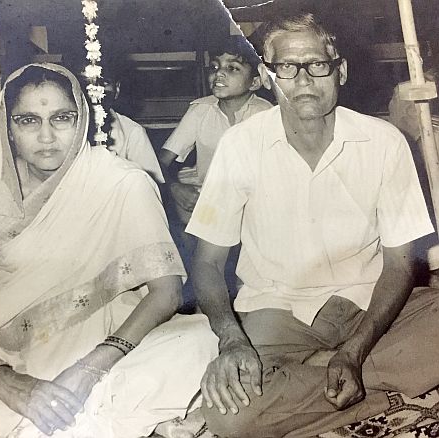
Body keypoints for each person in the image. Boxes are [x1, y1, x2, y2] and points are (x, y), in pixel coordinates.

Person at [0, 63, 216, 438]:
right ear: (7, 128)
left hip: (102, 338)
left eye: (61, 118)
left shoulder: (122, 182)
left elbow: (166, 292)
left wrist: (89, 369)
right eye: (27, 121)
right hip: (5, 341)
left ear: (83, 119)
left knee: (203, 338)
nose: (47, 136)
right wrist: (3, 381)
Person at [186, 13, 439, 438]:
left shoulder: (384, 142)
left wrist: (354, 351)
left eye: (316, 65)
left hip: (370, 307)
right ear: (268, 77)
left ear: (339, 69)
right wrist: (231, 339)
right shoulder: (240, 146)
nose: (303, 80)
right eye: (287, 67)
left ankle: (324, 374)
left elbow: (399, 265)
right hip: (277, 312)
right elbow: (208, 263)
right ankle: (383, 391)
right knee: (230, 416)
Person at [159, 36, 273, 225]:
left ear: (254, 82)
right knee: (183, 212)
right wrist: (174, 188)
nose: (218, 73)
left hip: (252, 199)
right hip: (208, 198)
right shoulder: (200, 110)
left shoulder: (265, 115)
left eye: (232, 68)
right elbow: (160, 161)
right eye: (214, 67)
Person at [102, 76, 165, 184]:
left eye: (104, 83)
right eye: (84, 82)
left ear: (117, 89)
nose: (94, 89)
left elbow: (150, 186)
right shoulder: (65, 129)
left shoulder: (133, 131)